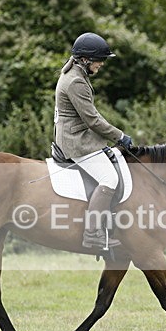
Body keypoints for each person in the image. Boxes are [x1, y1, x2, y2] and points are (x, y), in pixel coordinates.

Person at [54, 32, 133, 250]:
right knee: (109, 178)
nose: (102, 64)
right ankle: (93, 234)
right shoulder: (76, 81)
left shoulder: (75, 74)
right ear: (86, 59)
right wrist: (119, 136)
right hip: (75, 141)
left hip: (78, 135)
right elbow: (92, 120)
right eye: (100, 60)